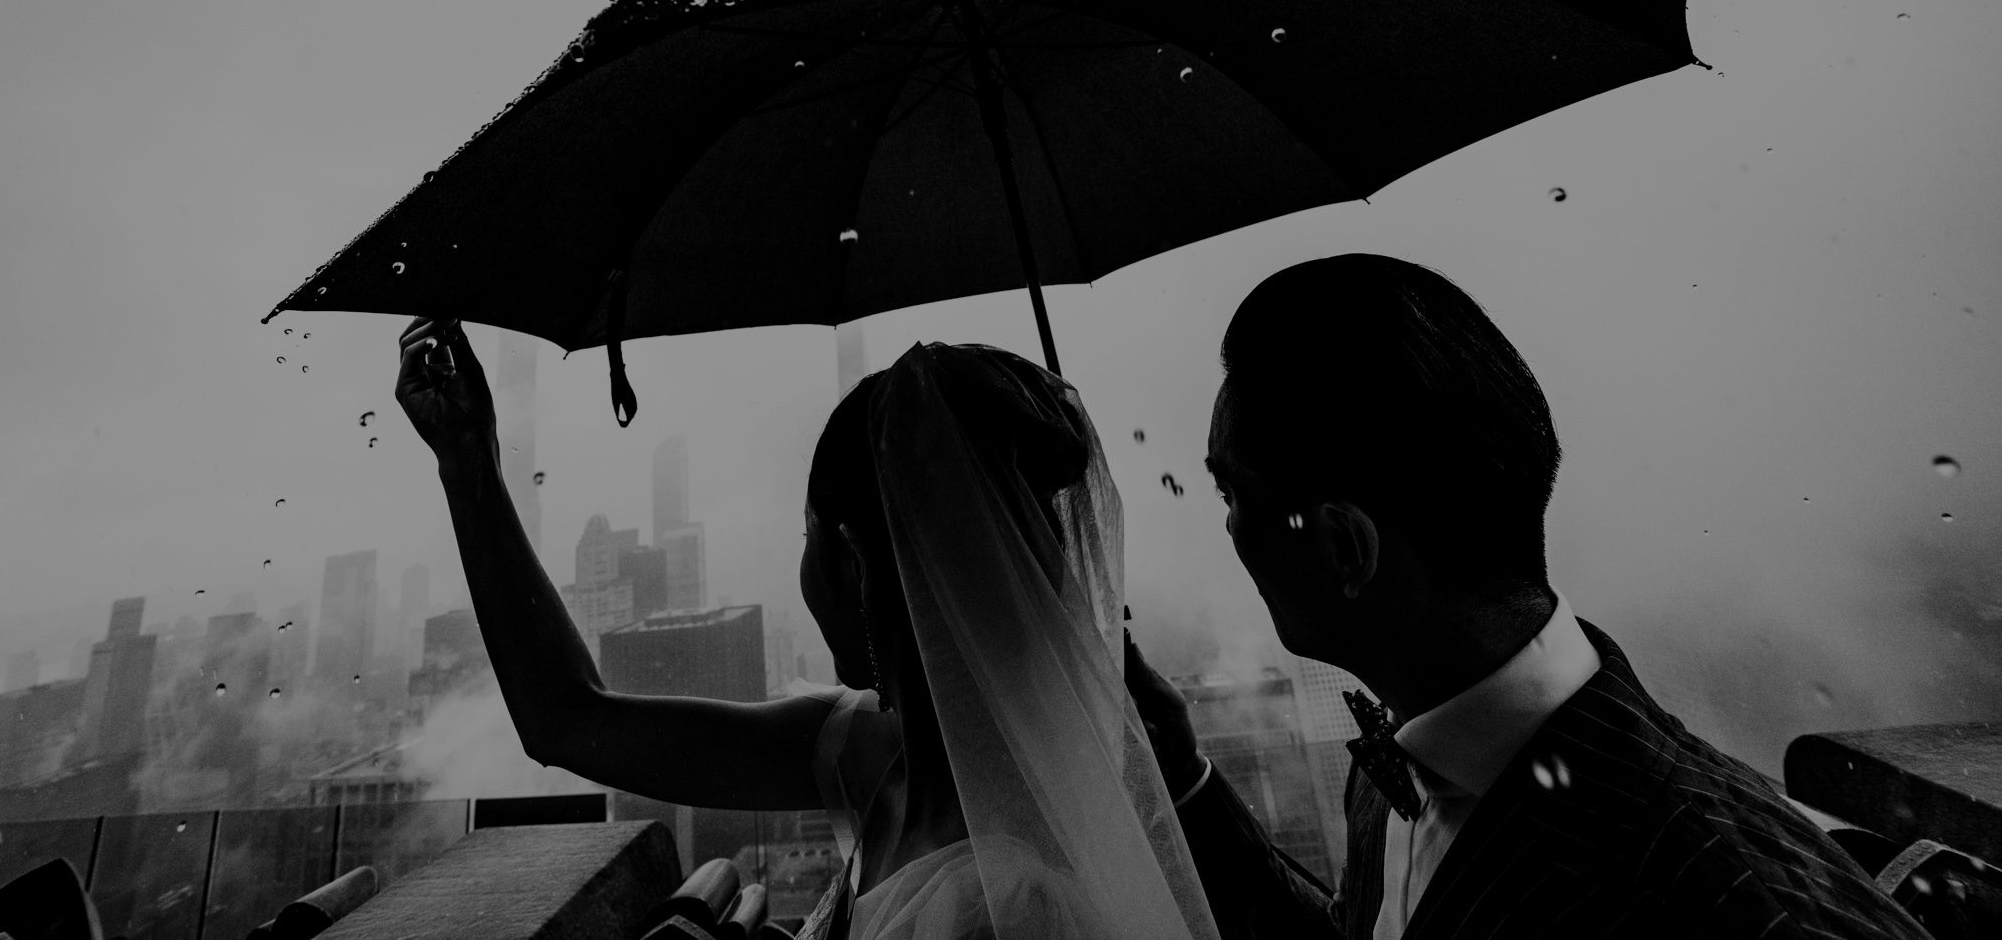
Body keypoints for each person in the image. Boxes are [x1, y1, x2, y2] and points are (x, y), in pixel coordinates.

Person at [1123, 254, 1930, 940]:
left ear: (1344, 547)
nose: (1228, 530)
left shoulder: (1725, 906)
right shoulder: (1397, 764)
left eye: (1232, 494)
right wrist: (1178, 770)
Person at [396, 319, 1219, 940]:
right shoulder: (876, 755)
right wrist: (468, 465)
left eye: (806, 540)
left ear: (855, 560)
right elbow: (566, 721)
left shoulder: (1008, 910)